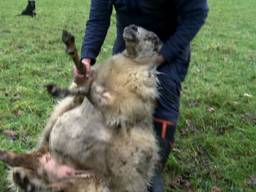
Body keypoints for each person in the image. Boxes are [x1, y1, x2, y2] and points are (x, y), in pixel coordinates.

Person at [74, 0, 209, 191]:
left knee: (163, 93)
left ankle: (152, 172)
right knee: (119, 106)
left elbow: (197, 13)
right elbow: (98, 19)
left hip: (167, 49)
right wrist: (86, 59)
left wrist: (160, 57)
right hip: (128, 47)